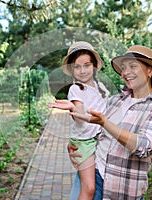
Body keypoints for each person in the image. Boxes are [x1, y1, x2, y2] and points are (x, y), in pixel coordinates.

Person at [51, 45, 152, 199]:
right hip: (95, 173)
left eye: (132, 66)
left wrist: (104, 123)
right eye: (123, 68)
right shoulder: (115, 101)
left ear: (150, 71)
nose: (125, 72)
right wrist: (75, 142)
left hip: (121, 188)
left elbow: (144, 146)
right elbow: (94, 127)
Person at [49, 41, 109, 200]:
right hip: (84, 142)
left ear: (94, 66)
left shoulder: (101, 87)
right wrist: (72, 108)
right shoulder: (75, 89)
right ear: (71, 69)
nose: (82, 71)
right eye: (77, 66)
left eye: (87, 65)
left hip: (100, 141)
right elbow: (80, 117)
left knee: (99, 184)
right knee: (89, 188)